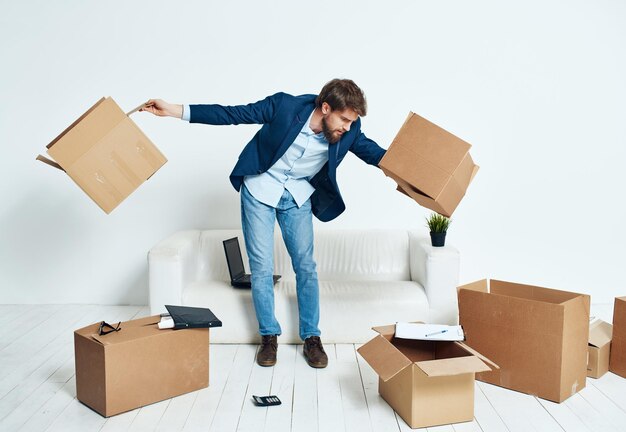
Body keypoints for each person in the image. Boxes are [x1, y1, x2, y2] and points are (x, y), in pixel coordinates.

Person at [141, 79, 386, 368]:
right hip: (260, 188)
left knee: (306, 265)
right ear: (325, 107)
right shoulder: (285, 107)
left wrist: (414, 179)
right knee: (261, 267)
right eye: (344, 119)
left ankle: (311, 337)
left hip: (297, 194)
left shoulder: (350, 130)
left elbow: (377, 155)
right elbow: (231, 115)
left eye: (351, 122)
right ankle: (269, 336)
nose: (347, 127)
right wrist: (175, 110)